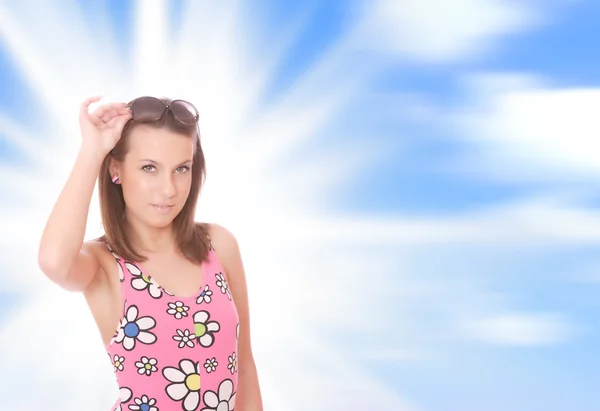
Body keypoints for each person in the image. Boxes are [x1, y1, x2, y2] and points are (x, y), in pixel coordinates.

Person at [37, 95, 263, 411]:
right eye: (149, 168)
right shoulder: (104, 265)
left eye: (181, 168)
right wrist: (92, 151)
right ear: (116, 170)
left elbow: (244, 364)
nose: (168, 189)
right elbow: (53, 261)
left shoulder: (219, 245)